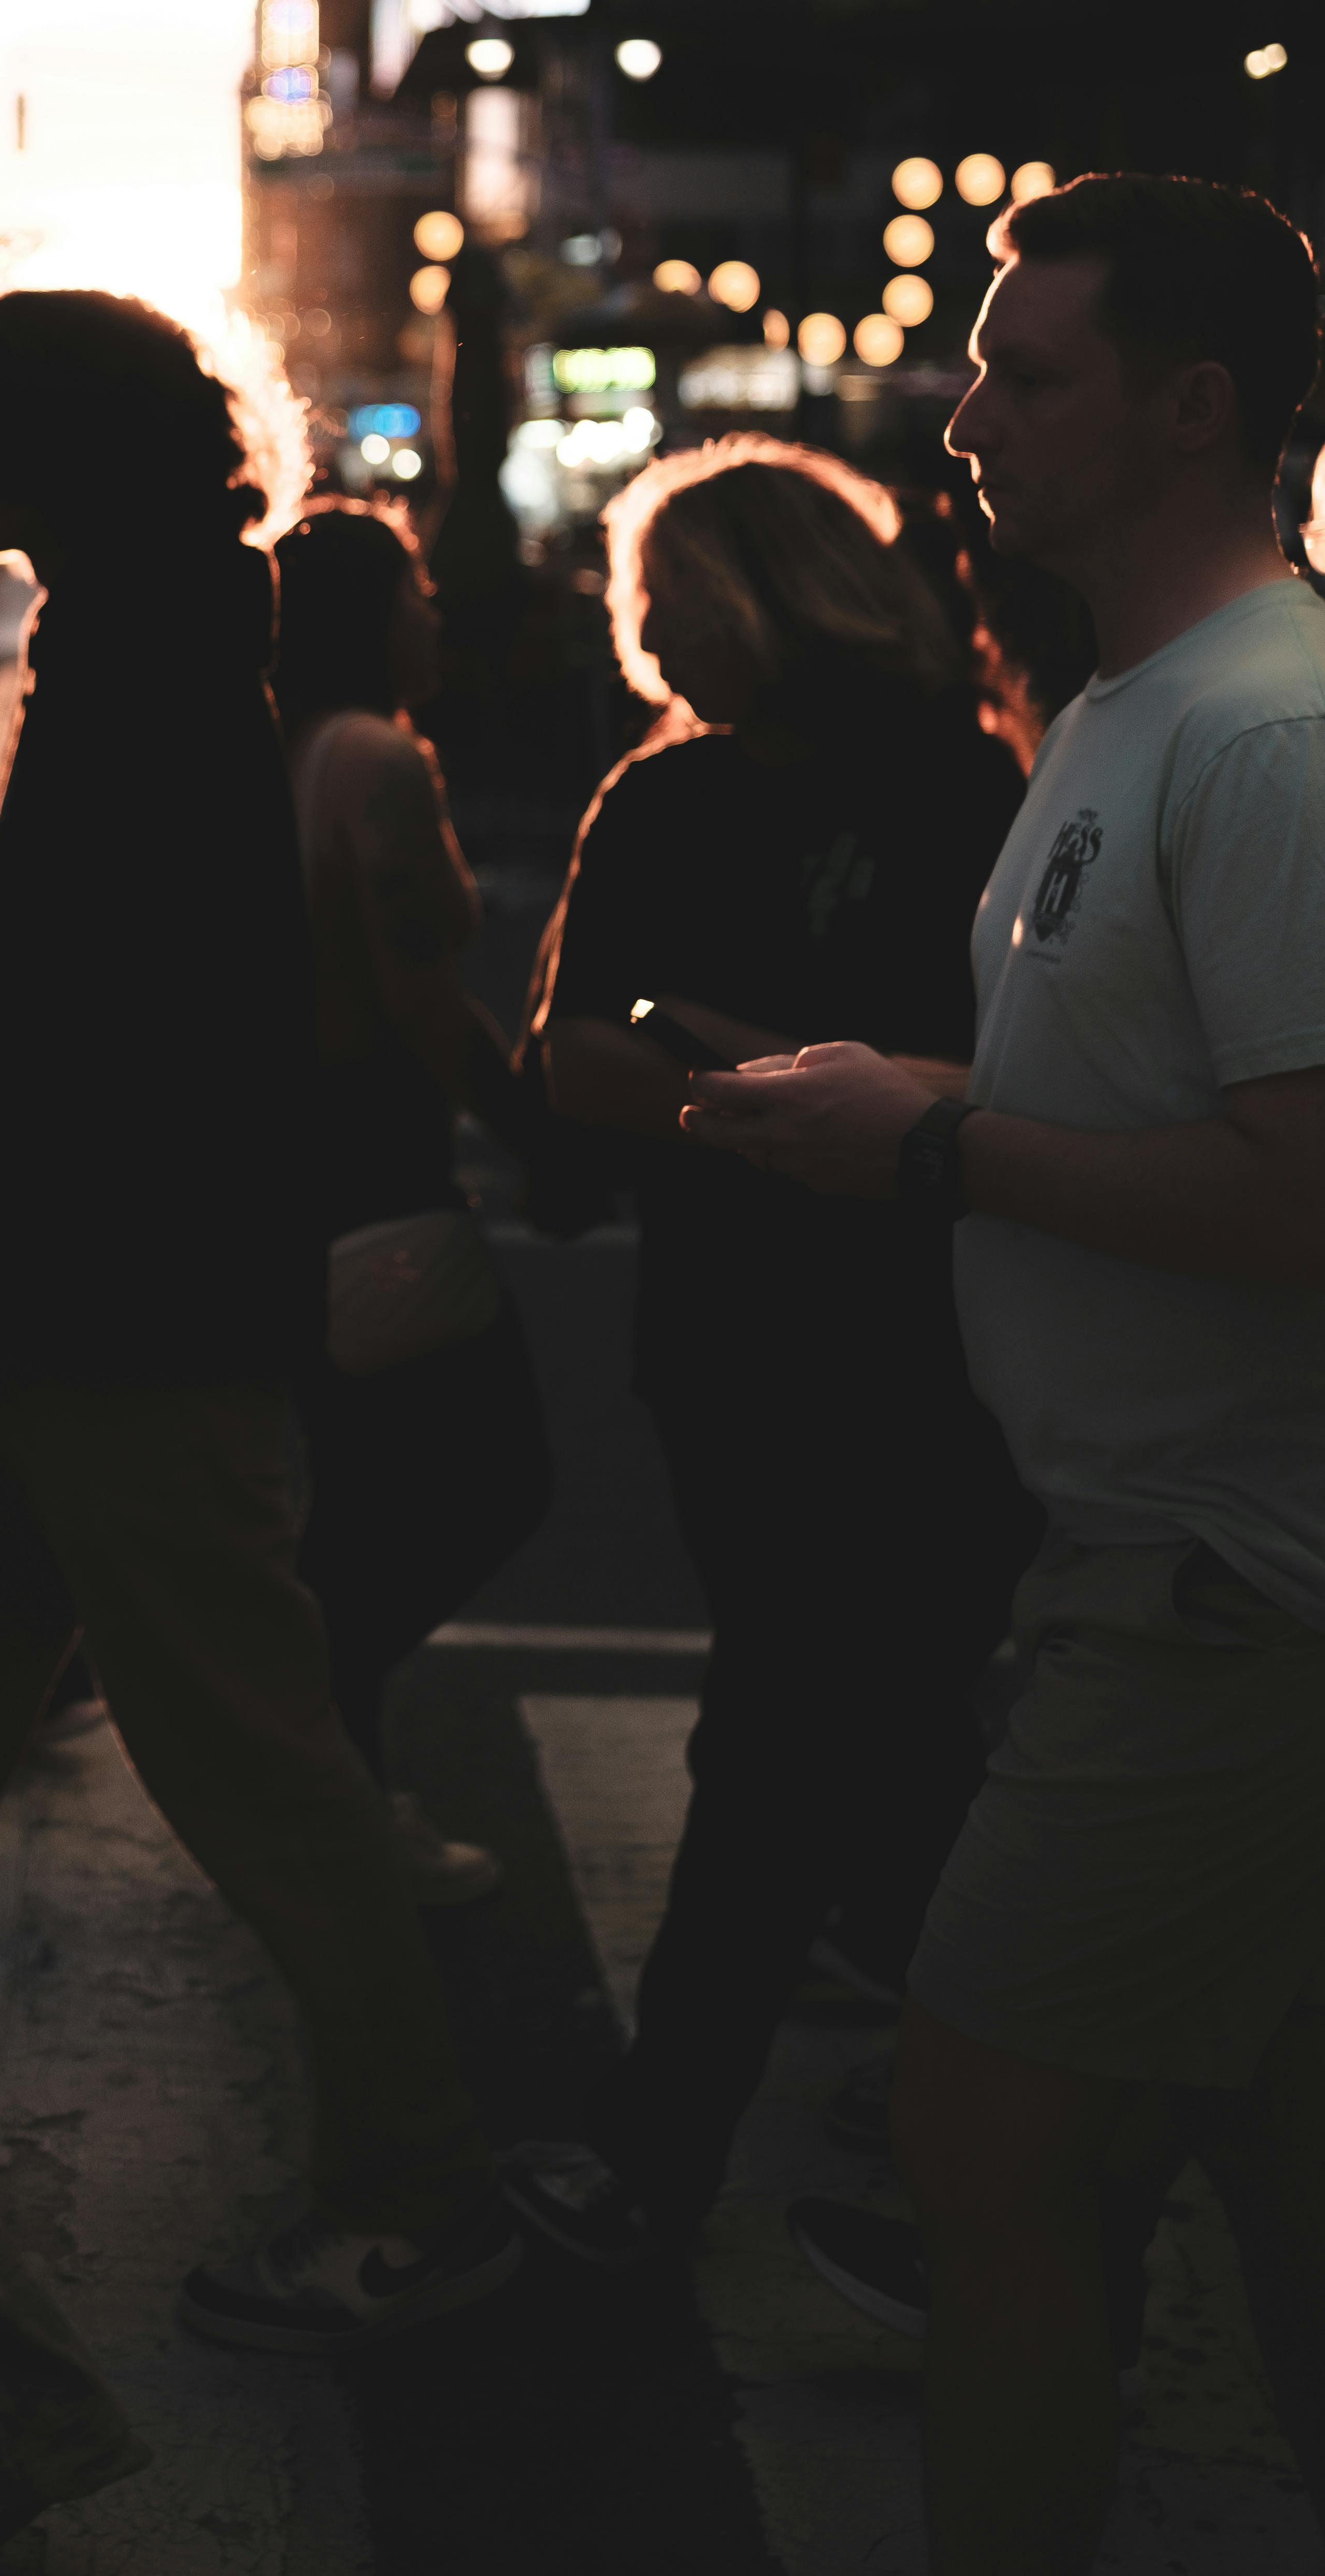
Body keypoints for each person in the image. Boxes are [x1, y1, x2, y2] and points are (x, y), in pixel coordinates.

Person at [685, 174, 1325, 2572]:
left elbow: (1308, 1195)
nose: (964, 418)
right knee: (1249, 2167)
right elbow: (1169, 1111)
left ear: (1196, 405)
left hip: (1219, 1594)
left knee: (983, 2139)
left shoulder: (1266, 734)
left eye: (1024, 373)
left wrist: (937, 1145)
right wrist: (913, 1101)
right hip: (1168, 1571)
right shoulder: (1135, 708)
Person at [0, 286, 515, 2358]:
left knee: (258, 1777)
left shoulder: (158, 653)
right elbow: (113, 979)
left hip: (127, 1327)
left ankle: (421, 2191)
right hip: (37, 1311)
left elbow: (152, 1018)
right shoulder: (137, 630)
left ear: (66, 448)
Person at [510, 436, 1038, 2269]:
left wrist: (724, 1069)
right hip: (775, 1335)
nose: (644, 641)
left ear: (757, 593)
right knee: (870, 1730)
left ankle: (660, 2148)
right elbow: (578, 1057)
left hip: (899, 1336)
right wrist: (802, 1100)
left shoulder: (962, 782)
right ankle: (1011, 2077)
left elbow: (1018, 1066)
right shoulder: (677, 790)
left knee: (788, 1734)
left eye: (664, 600)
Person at [269, 498, 551, 1897]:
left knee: (350, 1504)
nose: (434, 612)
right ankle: (322, 1780)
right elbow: (426, 999)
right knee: (486, 1477)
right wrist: (543, 1136)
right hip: (376, 1171)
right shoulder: (374, 759)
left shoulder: (274, 749)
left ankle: (337, 1791)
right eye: (415, 589)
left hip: (287, 1174)